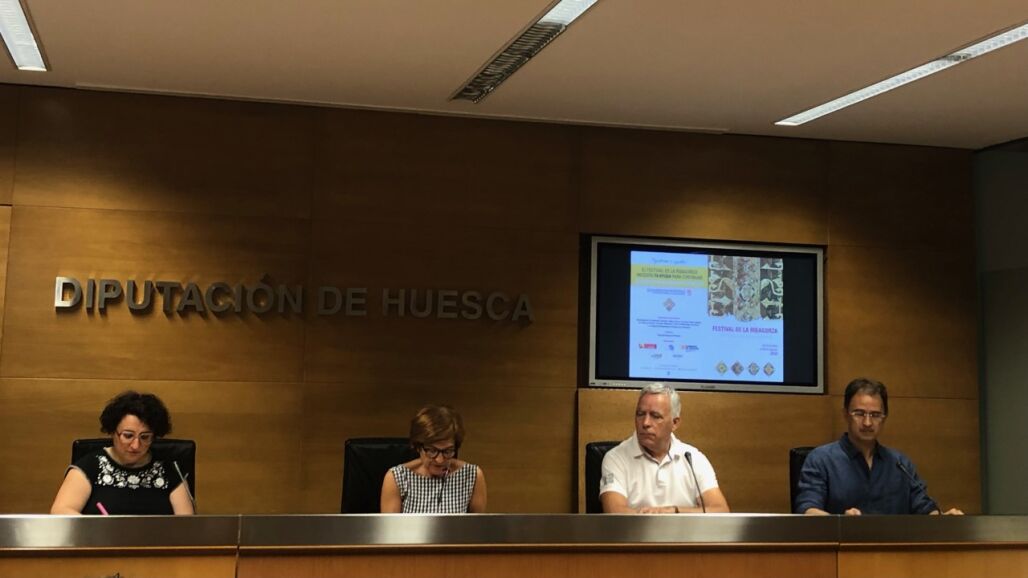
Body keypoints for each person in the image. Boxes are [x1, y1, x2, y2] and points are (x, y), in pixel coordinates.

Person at [796, 377, 963, 516]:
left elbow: (924, 507)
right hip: (843, 544)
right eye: (859, 413)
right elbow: (808, 509)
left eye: (875, 415)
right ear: (846, 415)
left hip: (893, 545)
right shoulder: (821, 459)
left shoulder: (900, 463)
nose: (867, 422)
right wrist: (840, 523)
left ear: (884, 418)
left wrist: (943, 520)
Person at [50, 391, 194, 515]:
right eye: (128, 435)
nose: (136, 445)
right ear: (113, 432)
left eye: (145, 437)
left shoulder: (170, 471)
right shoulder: (90, 467)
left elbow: (186, 525)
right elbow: (60, 512)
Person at [600, 383, 730, 513]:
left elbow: (721, 510)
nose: (645, 423)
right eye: (640, 414)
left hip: (682, 527)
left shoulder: (692, 458)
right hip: (634, 528)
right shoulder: (616, 458)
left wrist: (674, 512)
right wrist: (657, 519)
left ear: (675, 423)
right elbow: (615, 513)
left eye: (655, 416)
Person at [380, 405, 487, 513]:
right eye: (432, 451)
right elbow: (391, 524)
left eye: (447, 451)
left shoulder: (472, 476)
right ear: (418, 447)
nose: (440, 460)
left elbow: (478, 523)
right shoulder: (397, 477)